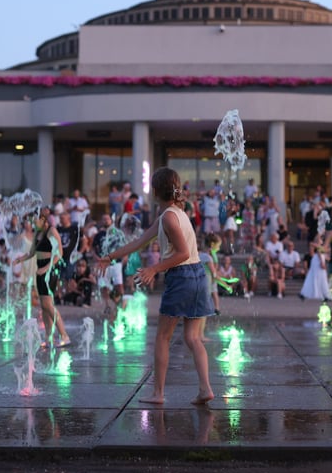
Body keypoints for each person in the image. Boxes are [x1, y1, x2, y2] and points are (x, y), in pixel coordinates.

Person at [97, 167, 215, 405]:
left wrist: (154, 268)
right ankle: (205, 389)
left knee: (162, 337)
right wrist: (110, 257)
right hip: (197, 277)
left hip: (182, 276)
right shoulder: (173, 214)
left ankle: (158, 393)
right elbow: (140, 242)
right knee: (193, 337)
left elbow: (181, 254)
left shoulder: (170, 217)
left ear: (155, 191)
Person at [13, 207, 71, 349]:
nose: (33, 224)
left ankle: (64, 335)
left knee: (48, 305)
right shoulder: (39, 233)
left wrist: (46, 268)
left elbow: (59, 253)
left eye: (35, 221)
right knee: (44, 307)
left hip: (49, 269)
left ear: (43, 219)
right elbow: (33, 252)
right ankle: (48, 337)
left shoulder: (52, 231)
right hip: (40, 269)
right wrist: (21, 259)